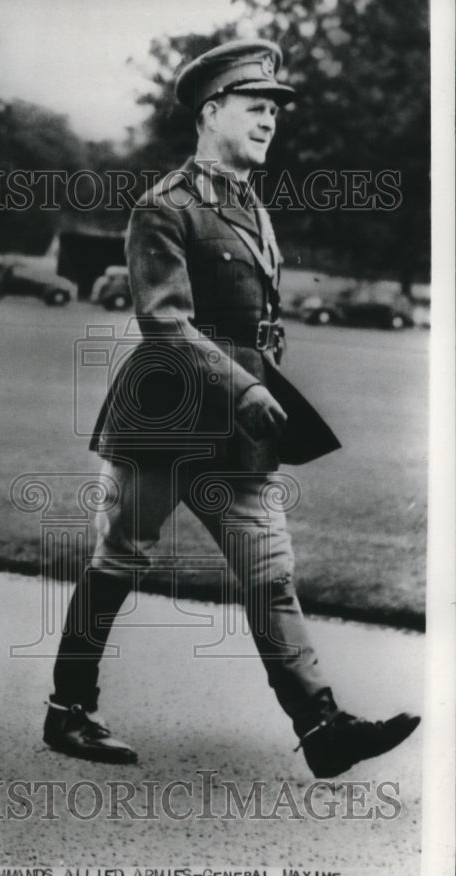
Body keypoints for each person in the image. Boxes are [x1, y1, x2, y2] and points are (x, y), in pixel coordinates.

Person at [43, 40, 420, 778]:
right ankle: (69, 711)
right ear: (210, 111)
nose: (269, 122)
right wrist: (244, 386)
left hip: (241, 421)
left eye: (275, 111)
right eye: (255, 107)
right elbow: (164, 321)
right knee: (119, 559)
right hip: (165, 408)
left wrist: (256, 384)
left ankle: (319, 725)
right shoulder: (164, 207)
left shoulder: (248, 204)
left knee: (268, 571)